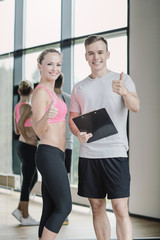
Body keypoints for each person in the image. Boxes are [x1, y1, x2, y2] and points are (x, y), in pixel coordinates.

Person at [69, 35, 140, 240]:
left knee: (120, 207)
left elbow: (135, 107)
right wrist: (77, 133)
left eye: (100, 52)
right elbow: (73, 119)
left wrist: (124, 92)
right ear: (86, 57)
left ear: (107, 54)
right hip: (89, 155)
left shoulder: (122, 80)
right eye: (91, 53)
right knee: (97, 207)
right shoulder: (79, 87)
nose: (96, 57)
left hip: (116, 152)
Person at [31, 48, 72, 240]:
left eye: (58, 64)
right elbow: (38, 131)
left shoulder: (52, 93)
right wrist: (47, 116)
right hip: (48, 153)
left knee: (51, 207)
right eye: (49, 64)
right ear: (40, 66)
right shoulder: (40, 93)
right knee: (64, 206)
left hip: (57, 155)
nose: (54, 68)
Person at [12, 80, 39, 226]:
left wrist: (25, 135)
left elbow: (17, 129)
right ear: (32, 92)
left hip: (22, 146)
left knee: (33, 178)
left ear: (19, 92)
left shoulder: (17, 106)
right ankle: (25, 216)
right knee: (28, 180)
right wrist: (29, 136)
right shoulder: (27, 106)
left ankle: (19, 209)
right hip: (27, 147)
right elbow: (21, 125)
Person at [54, 73, 73, 225]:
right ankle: (63, 214)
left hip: (54, 145)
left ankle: (58, 211)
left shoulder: (49, 99)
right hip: (68, 145)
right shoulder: (69, 99)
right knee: (64, 179)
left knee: (53, 180)